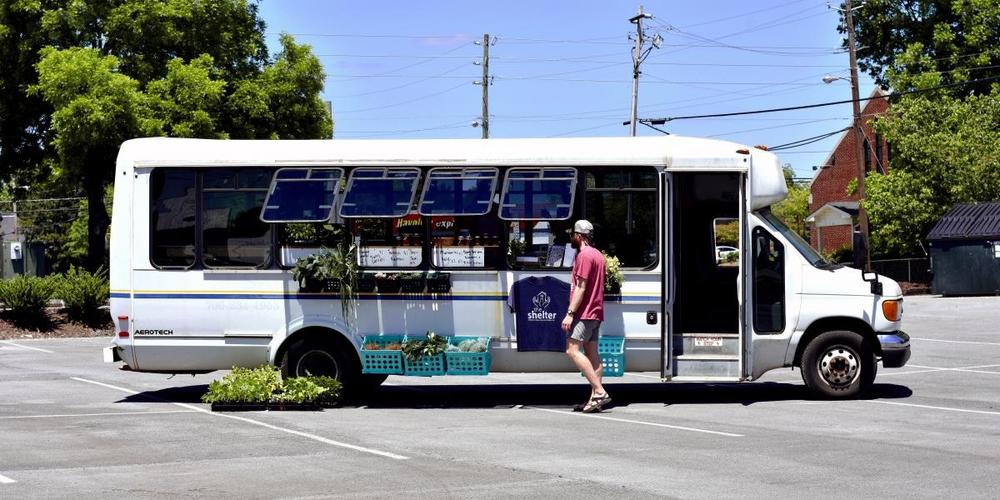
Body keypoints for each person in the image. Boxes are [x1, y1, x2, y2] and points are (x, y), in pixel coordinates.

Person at [561, 219, 610, 413]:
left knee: (572, 350)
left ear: (579, 236)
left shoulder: (584, 256)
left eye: (573, 234)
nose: (571, 237)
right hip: (596, 311)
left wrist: (570, 313)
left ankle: (598, 391)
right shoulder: (598, 255)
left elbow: (581, 287)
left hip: (584, 311)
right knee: (592, 354)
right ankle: (594, 400)